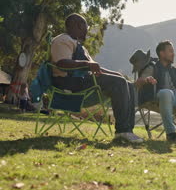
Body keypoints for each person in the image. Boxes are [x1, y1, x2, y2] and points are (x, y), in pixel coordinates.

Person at [51, 13, 145, 143]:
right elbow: (61, 63)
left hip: (85, 83)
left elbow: (95, 68)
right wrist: (86, 64)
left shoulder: (80, 46)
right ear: (78, 25)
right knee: (119, 83)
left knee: (127, 83)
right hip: (71, 87)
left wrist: (115, 74)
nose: (87, 31)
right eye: (86, 27)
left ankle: (127, 130)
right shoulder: (62, 40)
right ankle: (122, 130)